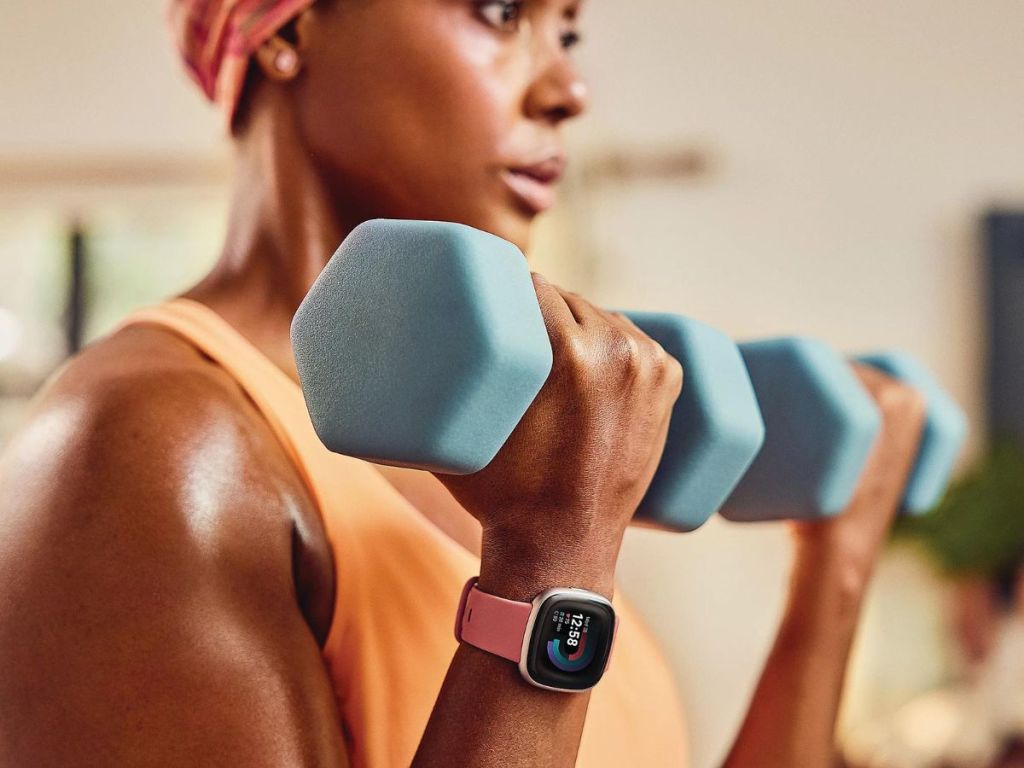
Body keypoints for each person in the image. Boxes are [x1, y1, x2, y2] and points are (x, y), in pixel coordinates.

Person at [0, 1, 927, 765]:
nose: (568, 90)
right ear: (284, 31)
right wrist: (550, 567)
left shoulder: (512, 457)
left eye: (568, 33)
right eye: (501, 12)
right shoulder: (150, 443)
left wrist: (835, 567)